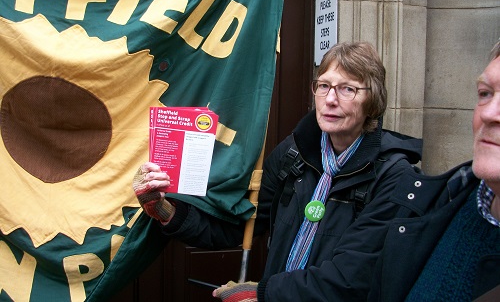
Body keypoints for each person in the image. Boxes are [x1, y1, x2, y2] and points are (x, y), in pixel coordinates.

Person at [133, 41, 423, 301]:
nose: (331, 99)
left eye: (347, 89)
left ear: (372, 101)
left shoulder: (395, 176)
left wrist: (262, 293)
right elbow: (239, 224)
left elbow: (353, 278)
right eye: (323, 85)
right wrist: (165, 211)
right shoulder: (294, 153)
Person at [368, 40, 500, 301]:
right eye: (486, 93)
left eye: (347, 89)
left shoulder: (395, 173)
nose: (490, 113)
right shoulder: (437, 201)